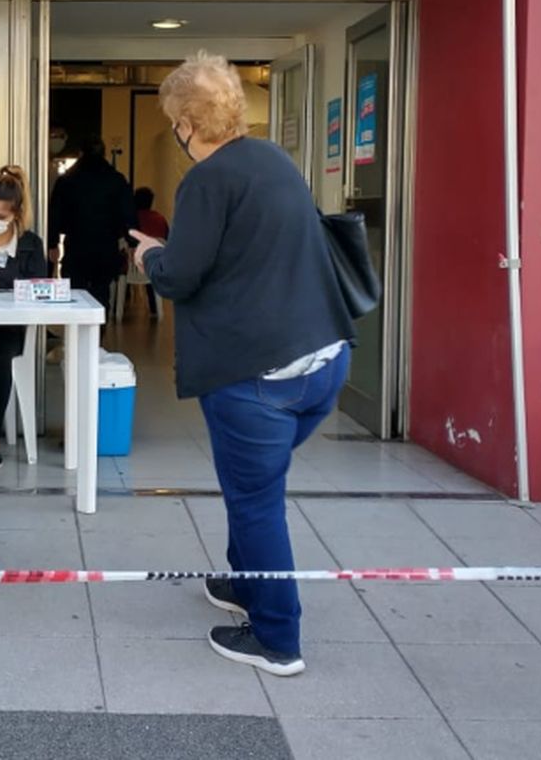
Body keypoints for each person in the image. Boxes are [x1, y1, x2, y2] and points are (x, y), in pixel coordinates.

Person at [130, 51, 356, 677]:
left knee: (256, 500)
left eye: (175, 120)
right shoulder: (275, 161)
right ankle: (249, 582)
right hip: (324, 360)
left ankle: (277, 637)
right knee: (254, 487)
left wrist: (149, 256)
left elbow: (182, 274)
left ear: (185, 123)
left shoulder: (206, 179)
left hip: (260, 375)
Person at [0, 165, 48, 470]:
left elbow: (37, 289)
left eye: (0, 217)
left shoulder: (30, 245)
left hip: (6, 329)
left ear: (16, 215)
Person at [48, 136, 135, 316]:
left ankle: (76, 333)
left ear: (80, 153)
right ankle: (97, 335)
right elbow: (128, 214)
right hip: (106, 246)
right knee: (101, 292)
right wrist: (133, 243)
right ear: (103, 154)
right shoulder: (116, 180)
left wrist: (52, 243)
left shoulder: (67, 181)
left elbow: (55, 213)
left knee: (75, 294)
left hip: (76, 246)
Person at [133, 187, 170, 318]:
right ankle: (154, 309)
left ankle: (118, 305)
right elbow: (167, 239)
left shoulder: (132, 219)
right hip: (155, 266)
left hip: (131, 267)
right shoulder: (160, 219)